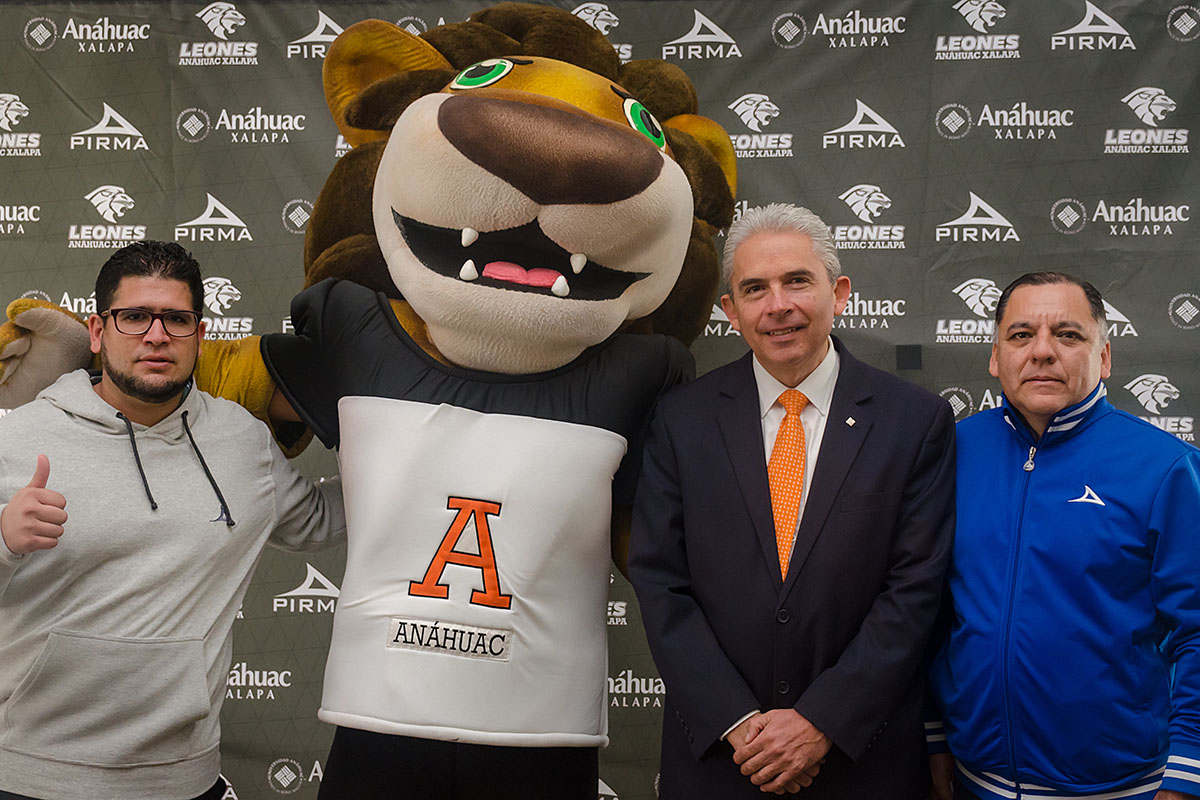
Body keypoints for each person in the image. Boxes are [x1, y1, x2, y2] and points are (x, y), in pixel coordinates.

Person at [628, 203, 956, 798]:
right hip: (721, 761)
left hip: (863, 762)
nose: (777, 305)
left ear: (841, 292)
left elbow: (915, 590)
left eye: (797, 281)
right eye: (754, 289)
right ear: (730, 311)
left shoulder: (917, 421)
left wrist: (821, 721)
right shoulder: (681, 420)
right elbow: (659, 580)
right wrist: (737, 722)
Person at [0, 241, 346, 800]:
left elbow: (321, 522)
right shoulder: (17, 438)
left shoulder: (242, 440)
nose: (156, 335)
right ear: (97, 332)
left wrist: (407, 458)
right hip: (33, 777)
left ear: (199, 335)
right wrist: (3, 539)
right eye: (134, 316)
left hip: (184, 780)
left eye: (176, 319)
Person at [927, 272, 1200, 800]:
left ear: (1104, 358)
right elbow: (927, 609)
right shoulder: (949, 452)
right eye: (1021, 334)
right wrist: (932, 731)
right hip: (972, 782)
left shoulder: (1166, 469)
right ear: (994, 355)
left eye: (1069, 335)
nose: (1043, 352)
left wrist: (1189, 770)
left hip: (1125, 789)